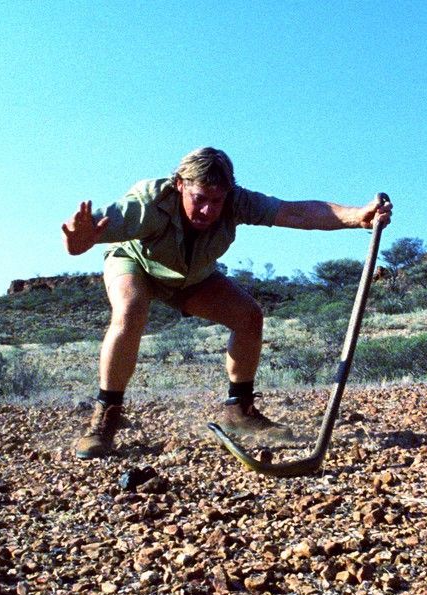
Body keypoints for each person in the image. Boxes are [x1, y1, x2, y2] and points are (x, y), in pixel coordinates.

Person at [61, 147, 392, 459]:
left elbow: (293, 211)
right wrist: (77, 241)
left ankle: (239, 411)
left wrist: (355, 215)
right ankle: (105, 418)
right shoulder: (148, 202)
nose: (208, 211)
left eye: (217, 201)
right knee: (131, 309)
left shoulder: (237, 202)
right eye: (199, 199)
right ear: (179, 185)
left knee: (248, 316)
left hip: (191, 276)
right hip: (137, 265)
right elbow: (91, 230)